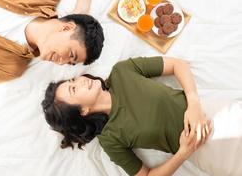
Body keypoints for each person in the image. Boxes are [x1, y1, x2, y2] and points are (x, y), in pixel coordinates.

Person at [42, 56, 242, 176]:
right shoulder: (110, 139)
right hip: (205, 150)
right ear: (82, 111)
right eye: (74, 89)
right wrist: (184, 152)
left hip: (214, 112)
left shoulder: (122, 72)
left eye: (74, 80)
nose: (82, 81)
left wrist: (194, 105)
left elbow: (178, 65)